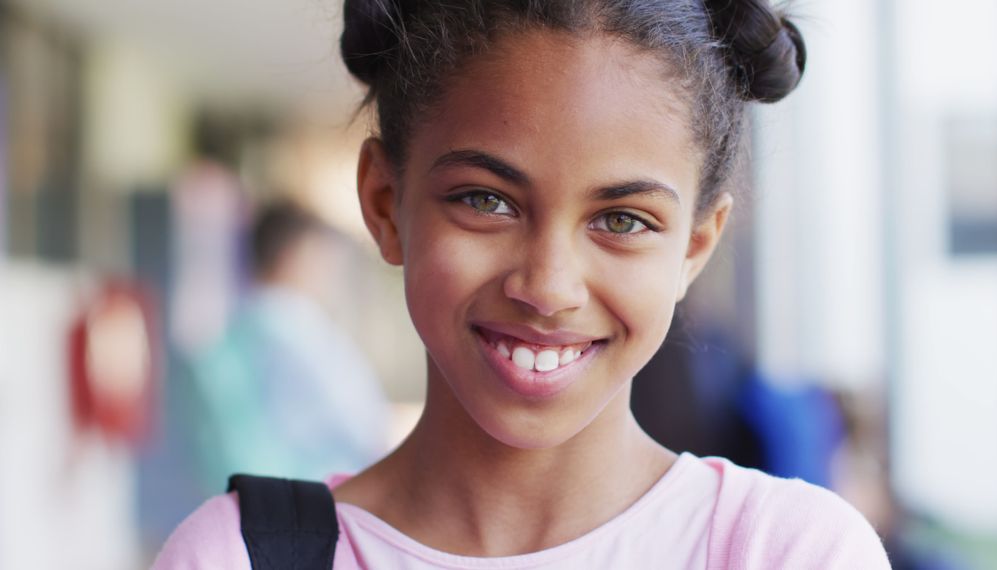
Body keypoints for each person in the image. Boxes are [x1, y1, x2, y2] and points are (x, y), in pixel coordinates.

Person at [155, 1, 892, 567]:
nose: (548, 285)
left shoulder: (786, 551)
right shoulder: (238, 557)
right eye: (486, 200)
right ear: (385, 203)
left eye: (624, 220)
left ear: (695, 246)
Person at [185, 201, 388, 491]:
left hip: (247, 503)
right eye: (323, 258)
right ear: (296, 255)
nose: (330, 273)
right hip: (315, 503)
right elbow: (361, 426)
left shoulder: (234, 332)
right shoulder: (297, 329)